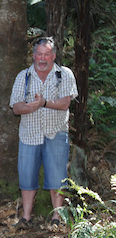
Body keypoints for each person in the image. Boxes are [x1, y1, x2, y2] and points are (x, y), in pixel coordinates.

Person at [8, 38, 78, 228]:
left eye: (47, 54)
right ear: (33, 56)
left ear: (54, 56)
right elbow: (15, 107)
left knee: (57, 177)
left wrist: (44, 103)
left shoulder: (64, 74)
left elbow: (65, 103)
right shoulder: (24, 76)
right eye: (39, 54)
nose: (42, 58)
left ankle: (57, 217)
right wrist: (30, 107)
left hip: (56, 133)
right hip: (29, 134)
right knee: (27, 176)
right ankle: (26, 217)